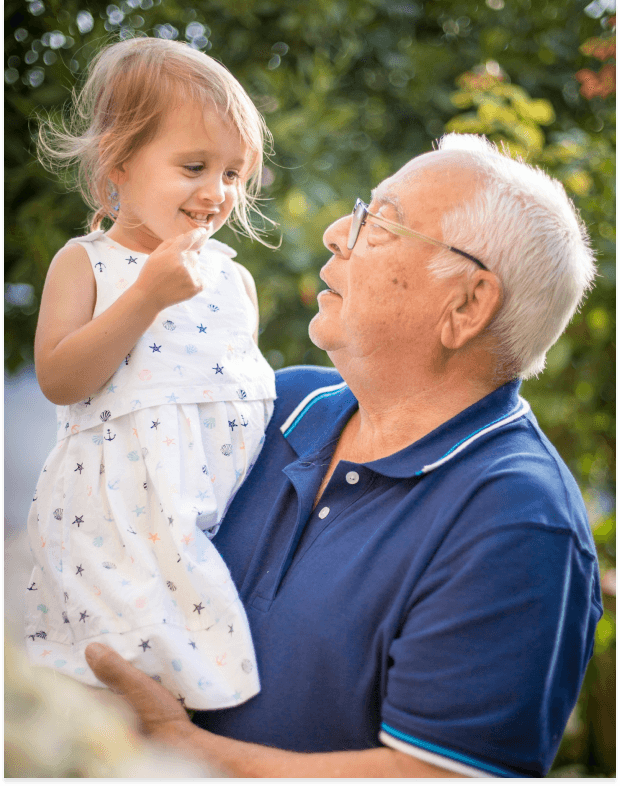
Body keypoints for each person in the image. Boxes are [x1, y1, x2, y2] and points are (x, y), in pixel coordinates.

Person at [85, 133, 602, 779]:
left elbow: (441, 777)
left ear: (467, 304)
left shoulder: (518, 521)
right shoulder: (275, 402)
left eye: (379, 224)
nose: (337, 232)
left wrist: (182, 750)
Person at [24, 37, 277, 711]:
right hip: (112, 531)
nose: (216, 192)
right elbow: (60, 378)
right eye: (194, 165)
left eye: (233, 174)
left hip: (211, 528)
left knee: (203, 700)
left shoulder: (235, 280)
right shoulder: (88, 263)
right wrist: (146, 298)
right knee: (115, 688)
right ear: (120, 162)